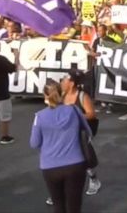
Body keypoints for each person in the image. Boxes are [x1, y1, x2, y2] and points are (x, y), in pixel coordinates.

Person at [30, 82, 89, 213]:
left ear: (45, 96)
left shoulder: (39, 116)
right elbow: (88, 132)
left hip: (50, 166)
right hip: (75, 164)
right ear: (62, 93)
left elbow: (34, 143)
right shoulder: (74, 110)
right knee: (74, 206)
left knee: (58, 205)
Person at [61, 70, 101, 196]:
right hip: (65, 133)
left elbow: (91, 114)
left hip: (81, 133)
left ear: (71, 83)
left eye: (65, 79)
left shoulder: (82, 96)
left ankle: (93, 179)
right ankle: (60, 190)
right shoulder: (62, 95)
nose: (62, 81)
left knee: (84, 159)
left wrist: (75, 116)